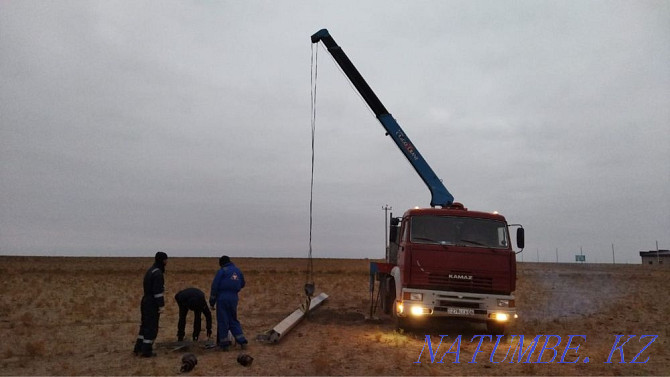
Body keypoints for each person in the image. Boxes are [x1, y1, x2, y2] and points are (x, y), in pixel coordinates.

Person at [209, 255, 248, 350]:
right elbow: (243, 284)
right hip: (234, 298)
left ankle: (224, 344)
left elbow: (215, 286)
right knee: (233, 319)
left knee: (223, 320)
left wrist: (212, 301)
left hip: (222, 297)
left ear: (221, 263)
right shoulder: (237, 271)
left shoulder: (222, 271)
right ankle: (242, 341)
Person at [133, 251, 168, 357]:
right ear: (163, 260)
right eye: (166, 260)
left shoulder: (150, 271)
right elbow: (157, 292)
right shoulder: (158, 273)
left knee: (144, 325)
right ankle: (147, 350)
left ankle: (138, 347)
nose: (167, 262)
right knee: (151, 327)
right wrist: (161, 305)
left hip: (145, 301)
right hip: (151, 303)